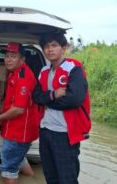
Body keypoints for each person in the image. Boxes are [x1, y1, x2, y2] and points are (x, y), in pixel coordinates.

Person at [33, 32, 91, 184]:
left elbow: (74, 100)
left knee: (67, 179)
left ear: (63, 47)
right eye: (46, 46)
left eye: (54, 45)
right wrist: (53, 95)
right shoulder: (44, 71)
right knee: (50, 177)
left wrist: (46, 100)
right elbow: (36, 97)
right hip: (45, 130)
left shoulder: (74, 68)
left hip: (65, 134)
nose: (49, 50)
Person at [0, 42, 39, 184]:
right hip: (15, 130)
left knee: (8, 167)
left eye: (13, 56)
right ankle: (34, 179)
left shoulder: (22, 77)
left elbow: (19, 109)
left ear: (22, 60)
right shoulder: (14, 73)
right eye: (7, 56)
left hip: (19, 132)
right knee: (18, 159)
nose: (8, 59)